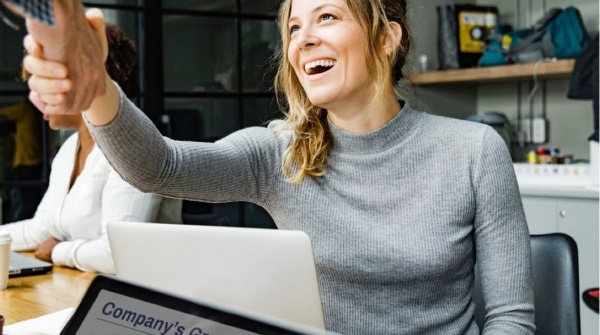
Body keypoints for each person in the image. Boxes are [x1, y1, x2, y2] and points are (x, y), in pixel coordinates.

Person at [16, 0, 536, 333]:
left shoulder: (474, 151)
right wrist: (96, 88)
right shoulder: (279, 151)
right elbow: (159, 165)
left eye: (327, 17)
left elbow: (511, 319)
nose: (302, 38)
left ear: (385, 38)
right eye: (293, 27)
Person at [0, 22, 182, 275]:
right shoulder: (68, 150)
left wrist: (57, 251)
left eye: (44, 84)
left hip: (139, 299)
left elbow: (116, 255)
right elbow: (42, 228)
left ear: (83, 80)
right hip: (81, 286)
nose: (36, 98)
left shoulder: (133, 146)